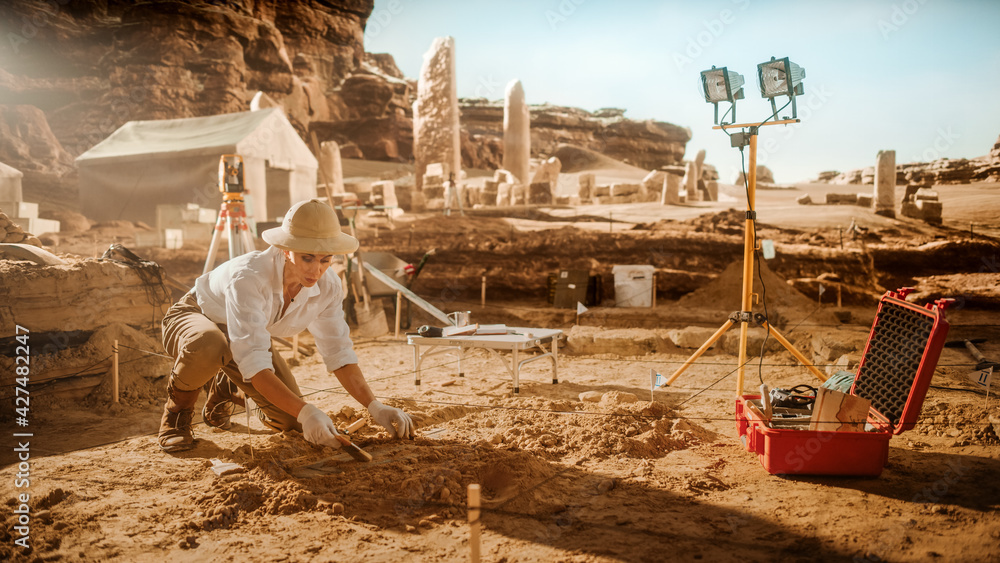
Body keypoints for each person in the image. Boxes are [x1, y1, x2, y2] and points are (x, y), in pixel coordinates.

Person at [157, 198, 414, 452]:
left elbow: (338, 352)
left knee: (290, 421)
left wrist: (374, 406)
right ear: (285, 249)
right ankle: (176, 415)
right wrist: (307, 412)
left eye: (325, 260)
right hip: (197, 316)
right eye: (308, 258)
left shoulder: (329, 286)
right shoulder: (249, 277)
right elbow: (256, 363)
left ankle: (225, 387)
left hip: (245, 333)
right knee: (210, 343)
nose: (316, 270)